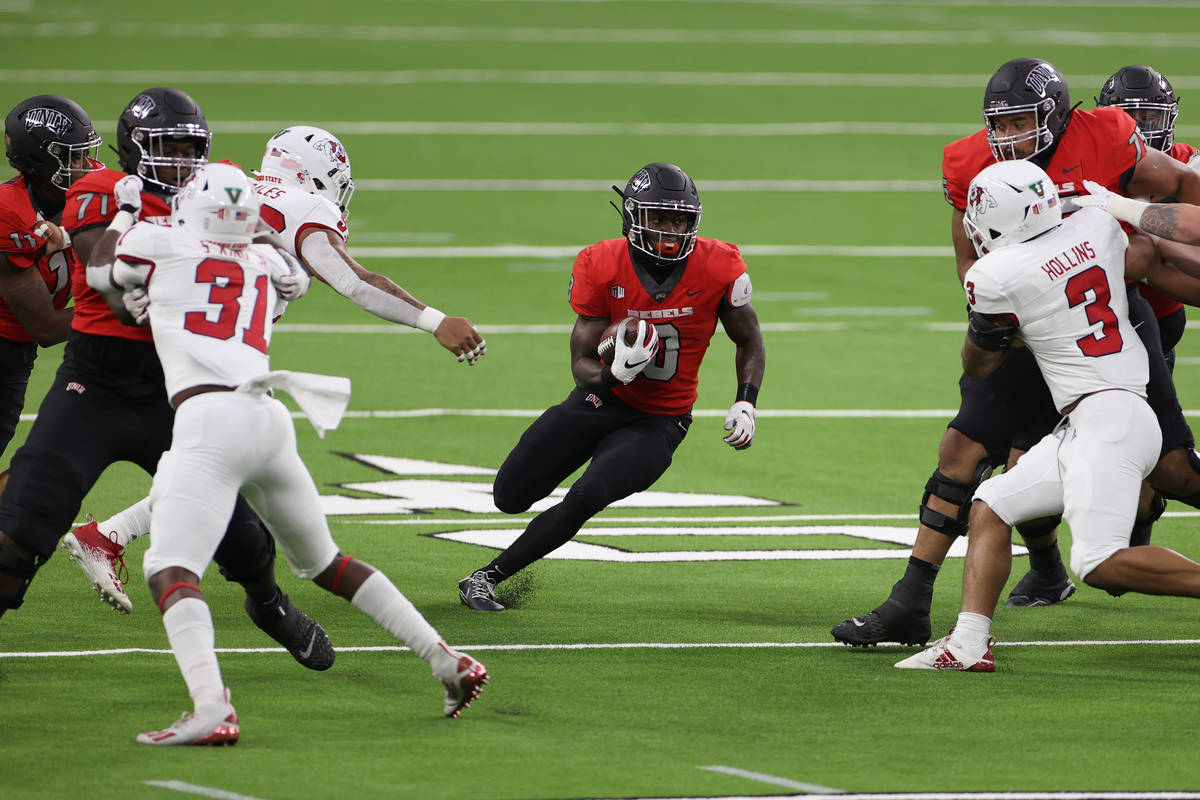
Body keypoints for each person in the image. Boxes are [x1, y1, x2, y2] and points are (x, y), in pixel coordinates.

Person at [91, 162, 486, 743]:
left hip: (208, 416)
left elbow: (101, 271)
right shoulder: (270, 263)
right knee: (326, 564)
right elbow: (258, 291)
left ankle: (210, 707)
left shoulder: (160, 243)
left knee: (170, 568)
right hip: (269, 417)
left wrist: (125, 207)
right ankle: (446, 659)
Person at [832, 57, 1200, 648]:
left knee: (1172, 470)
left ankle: (1046, 573)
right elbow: (969, 262)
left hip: (1106, 322)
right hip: (1024, 319)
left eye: (1021, 123)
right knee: (967, 451)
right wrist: (1009, 316)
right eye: (999, 127)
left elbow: (1163, 233)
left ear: (1055, 116)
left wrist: (1130, 213)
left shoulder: (1105, 143)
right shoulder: (968, 162)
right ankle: (914, 604)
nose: (1008, 138)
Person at [61, 124, 487, 611]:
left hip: (173, 338)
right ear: (316, 173)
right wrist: (434, 321)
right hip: (212, 358)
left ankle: (113, 535)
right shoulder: (304, 206)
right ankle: (129, 547)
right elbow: (353, 282)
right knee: (233, 459)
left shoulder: (230, 181)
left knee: (223, 462)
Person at [0, 88, 335, 672]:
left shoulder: (215, 193)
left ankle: (270, 605)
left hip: (176, 390)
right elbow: (109, 277)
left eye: (190, 148)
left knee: (242, 539)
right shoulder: (101, 192)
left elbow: (264, 253)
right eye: (167, 147)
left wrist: (280, 266)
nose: (180, 162)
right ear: (135, 150)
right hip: (95, 383)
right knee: (24, 525)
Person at [896, 160, 1200, 671]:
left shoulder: (996, 274)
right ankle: (968, 644)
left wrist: (1001, 334)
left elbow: (978, 364)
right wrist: (1118, 207)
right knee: (991, 503)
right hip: (1109, 414)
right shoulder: (1095, 223)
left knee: (1098, 562)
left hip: (1108, 420)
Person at [457, 162, 765, 611]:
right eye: (659, 218)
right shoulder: (601, 263)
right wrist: (613, 374)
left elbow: (750, 339)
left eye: (679, 220)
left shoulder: (720, 265)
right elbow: (579, 364)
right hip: (599, 399)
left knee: (588, 494)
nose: (670, 230)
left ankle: (486, 578)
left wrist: (746, 402)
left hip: (660, 419)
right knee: (509, 495)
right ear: (633, 218)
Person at [0, 95, 101, 490]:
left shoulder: (86, 194)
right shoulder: (10, 211)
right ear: (39, 162)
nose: (85, 166)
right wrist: (116, 307)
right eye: (71, 157)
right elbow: (43, 327)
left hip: (15, 352)